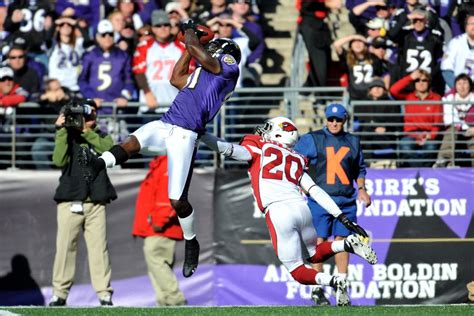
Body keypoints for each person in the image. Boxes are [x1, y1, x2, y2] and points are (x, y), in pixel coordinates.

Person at [90, 21, 242, 278]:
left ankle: (191, 241)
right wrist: (188, 47)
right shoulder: (202, 72)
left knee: (177, 201)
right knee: (130, 143)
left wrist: (191, 34)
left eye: (213, 45)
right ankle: (96, 165)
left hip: (186, 135)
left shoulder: (228, 66)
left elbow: (195, 46)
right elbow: (175, 79)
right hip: (165, 124)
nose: (210, 46)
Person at [200, 116, 377, 306]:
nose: (264, 131)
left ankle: (334, 281)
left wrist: (203, 135)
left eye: (269, 128)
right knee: (314, 254)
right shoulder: (296, 157)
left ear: (277, 133)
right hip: (302, 207)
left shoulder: (260, 146)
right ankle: (346, 244)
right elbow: (315, 191)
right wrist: (341, 217)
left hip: (278, 210)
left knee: (297, 270)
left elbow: (229, 150)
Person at [293, 104, 371, 306]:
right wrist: (300, 182)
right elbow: (294, 161)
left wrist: (362, 189)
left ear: (345, 120)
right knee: (319, 242)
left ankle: (342, 285)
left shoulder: (352, 141)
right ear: (326, 119)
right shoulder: (313, 138)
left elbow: (359, 169)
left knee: (343, 241)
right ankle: (318, 289)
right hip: (320, 199)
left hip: (345, 199)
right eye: (330, 119)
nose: (334, 123)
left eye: (338, 119)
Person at [49, 99, 117, 307]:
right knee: (64, 248)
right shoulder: (68, 135)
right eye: (86, 113)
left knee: (99, 249)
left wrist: (86, 132)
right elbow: (58, 160)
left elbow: (109, 150)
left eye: (93, 112)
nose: (90, 116)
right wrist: (61, 131)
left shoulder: (102, 136)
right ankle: (59, 294)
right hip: (70, 200)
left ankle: (104, 294)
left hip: (96, 201)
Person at [132, 156, 187, 306]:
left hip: (160, 227)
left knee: (157, 259)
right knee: (157, 264)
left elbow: (168, 195)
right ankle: (165, 302)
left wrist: (160, 220)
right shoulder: (161, 163)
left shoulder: (167, 164)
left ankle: (175, 299)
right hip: (156, 226)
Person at [390, 69, 443, 167]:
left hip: (428, 135)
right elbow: (393, 90)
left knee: (431, 147)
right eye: (417, 80)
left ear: (429, 82)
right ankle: (416, 171)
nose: (421, 83)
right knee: (405, 146)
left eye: (424, 80)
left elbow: (438, 122)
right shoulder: (408, 97)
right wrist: (410, 77)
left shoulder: (436, 98)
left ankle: (425, 173)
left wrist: (430, 136)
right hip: (411, 134)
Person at [434, 73, 474, 167]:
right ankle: (444, 161)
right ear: (455, 86)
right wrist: (463, 127)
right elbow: (448, 118)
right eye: (459, 84)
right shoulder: (448, 99)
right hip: (455, 129)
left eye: (465, 83)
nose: (462, 87)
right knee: (451, 132)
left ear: (470, 85)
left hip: (472, 130)